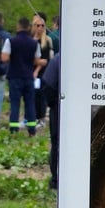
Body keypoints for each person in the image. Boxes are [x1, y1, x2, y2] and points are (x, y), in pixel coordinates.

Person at [1, 17, 40, 136]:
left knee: (15, 104)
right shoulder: (34, 43)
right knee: (30, 104)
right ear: (29, 27)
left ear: (18, 26)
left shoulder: (10, 41)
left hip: (15, 76)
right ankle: (32, 130)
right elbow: (36, 60)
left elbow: (4, 58)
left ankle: (14, 129)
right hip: (28, 76)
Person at [42, 52, 61, 189]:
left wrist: (53, 103)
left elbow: (48, 83)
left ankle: (56, 180)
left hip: (59, 108)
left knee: (57, 144)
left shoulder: (58, 59)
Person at [32, 13, 54, 128]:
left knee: (41, 95)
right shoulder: (31, 39)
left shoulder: (47, 40)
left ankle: (41, 118)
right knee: (32, 96)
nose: (40, 28)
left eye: (42, 25)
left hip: (42, 72)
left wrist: (37, 64)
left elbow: (46, 60)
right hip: (30, 71)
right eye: (37, 25)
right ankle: (32, 117)